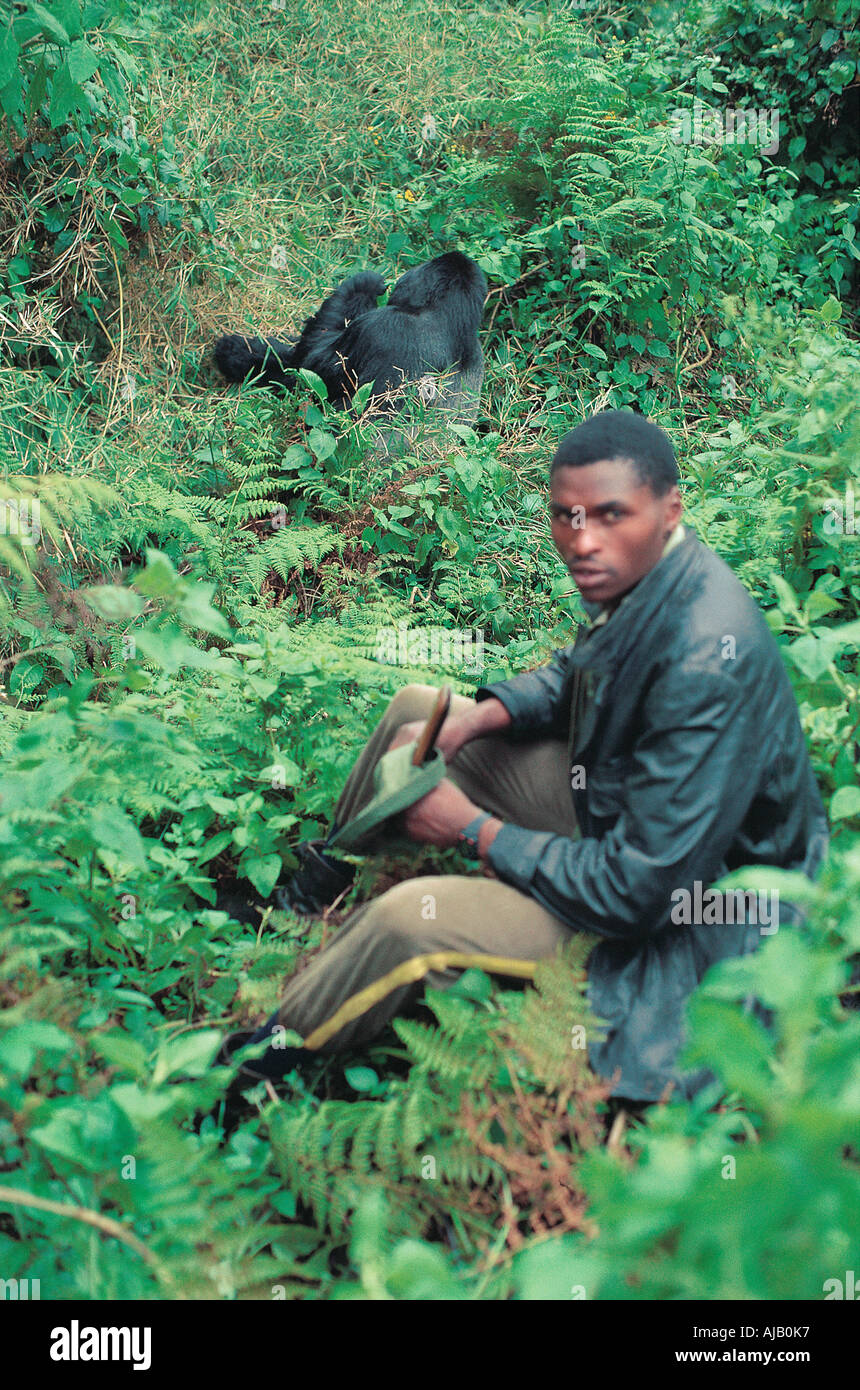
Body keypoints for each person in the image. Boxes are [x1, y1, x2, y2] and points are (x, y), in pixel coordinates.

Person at [219, 409, 829, 1114]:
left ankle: (263, 1063)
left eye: (608, 515)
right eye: (566, 517)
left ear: (670, 510)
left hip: (692, 921)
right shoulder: (650, 572)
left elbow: (639, 891)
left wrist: (475, 831)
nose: (582, 541)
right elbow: (581, 669)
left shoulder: (704, 660)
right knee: (423, 711)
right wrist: (484, 716)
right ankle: (307, 902)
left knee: (410, 921)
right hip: (628, 810)